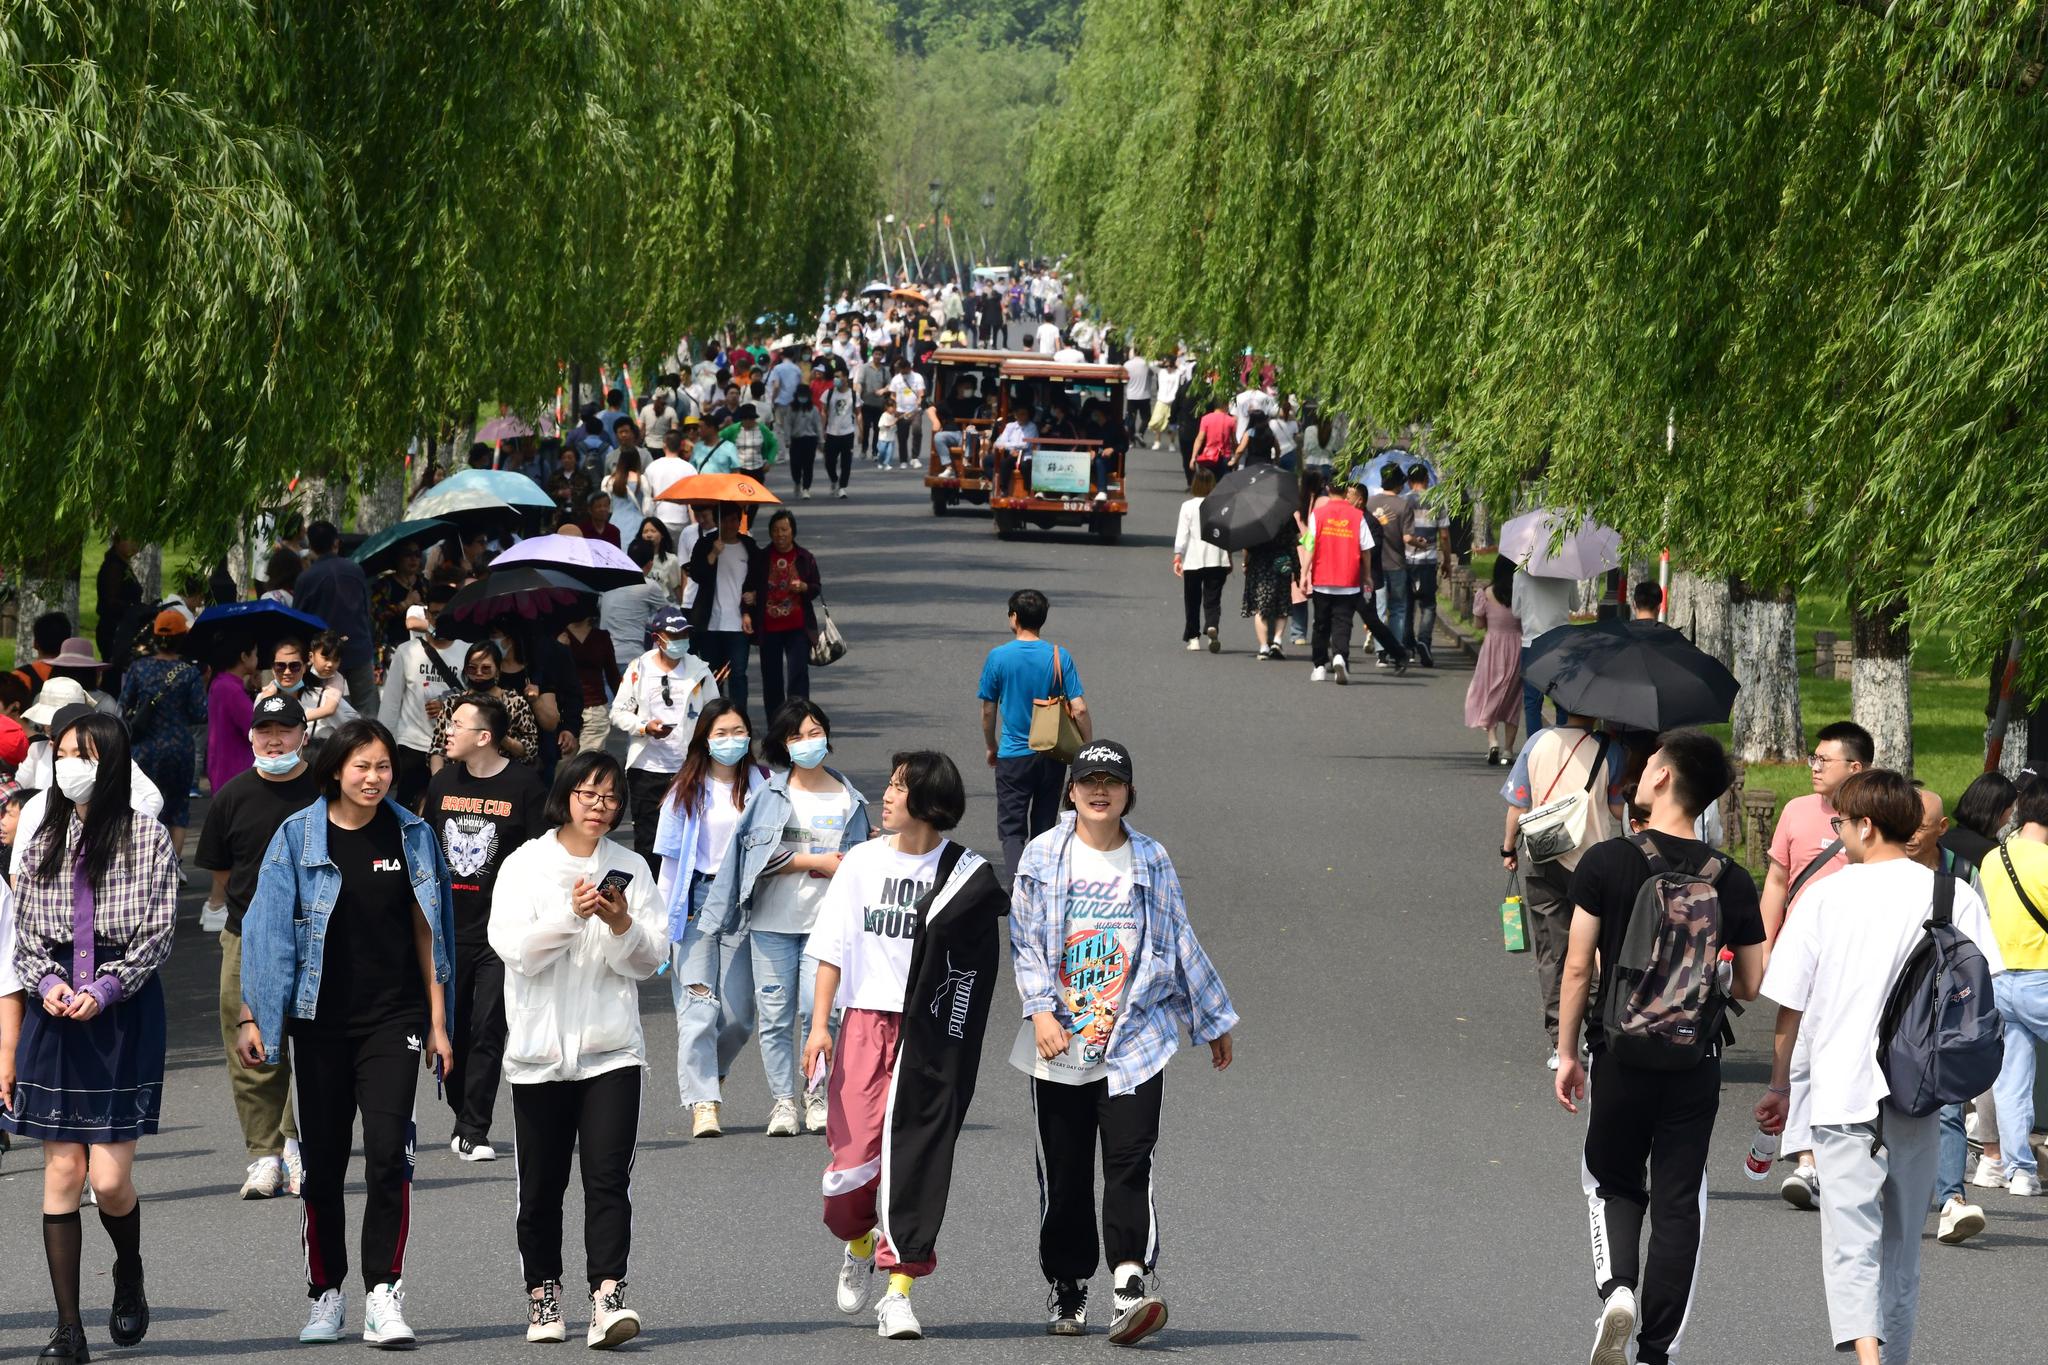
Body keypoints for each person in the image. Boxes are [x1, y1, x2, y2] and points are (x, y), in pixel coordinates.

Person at [1753, 770, 2004, 1365]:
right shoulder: (1952, 895)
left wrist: (1780, 1085)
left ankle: (1868, 1358)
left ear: (1866, 825)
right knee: (1901, 1251)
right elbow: (1983, 987)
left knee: (1850, 1245)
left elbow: (1790, 1004)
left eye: (1840, 823)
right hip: (1919, 1092)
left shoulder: (1825, 897)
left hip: (1842, 1092)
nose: (1838, 834)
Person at [1008, 740, 1237, 1344]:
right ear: (1072, 791)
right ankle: (1068, 1284)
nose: (1100, 791)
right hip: (1060, 1039)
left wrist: (1211, 1019)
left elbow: (1177, 936)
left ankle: (1130, 1284)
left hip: (1135, 1036)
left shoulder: (1150, 857)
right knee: (1065, 1171)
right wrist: (1040, 1011)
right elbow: (1025, 941)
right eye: (1089, 781)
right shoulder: (1043, 855)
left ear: (1129, 792)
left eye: (1111, 782)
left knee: (1131, 1161)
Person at [238, 718, 455, 1348]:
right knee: (325, 1161)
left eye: (383, 766)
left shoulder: (412, 833)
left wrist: (439, 1023)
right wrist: (255, 1016)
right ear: (336, 769)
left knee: (389, 1150)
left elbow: (429, 932)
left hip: (394, 1019)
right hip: (320, 1023)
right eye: (362, 766)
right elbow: (266, 932)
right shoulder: (297, 836)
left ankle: (383, 1291)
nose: (373, 777)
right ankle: (326, 1293)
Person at [1552, 731, 1765, 1365]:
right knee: (1678, 1202)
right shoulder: (1731, 878)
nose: (1641, 773)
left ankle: (1618, 1290)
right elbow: (1751, 984)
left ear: (1666, 778)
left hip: (1619, 1054)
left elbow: (1577, 967)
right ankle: (1656, 1350)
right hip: (1692, 1061)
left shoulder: (1607, 861)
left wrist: (1568, 1052)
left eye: (1649, 766)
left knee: (1612, 1179)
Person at [804, 750, 1007, 1342]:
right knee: (848, 1169)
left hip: (931, 1035)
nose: (887, 796)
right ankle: (859, 1242)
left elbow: (978, 964)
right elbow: (832, 947)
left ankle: (899, 1291)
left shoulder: (965, 874)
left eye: (898, 787)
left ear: (928, 800)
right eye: (890, 785)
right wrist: (819, 1026)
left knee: (918, 1158)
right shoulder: (862, 862)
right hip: (865, 1023)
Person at [3, 714, 176, 1365]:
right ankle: (67, 1329)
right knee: (63, 1170)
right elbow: (22, 933)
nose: (70, 764)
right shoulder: (42, 835)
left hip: (122, 1008)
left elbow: (157, 933)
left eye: (85, 754)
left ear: (113, 764)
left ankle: (128, 1269)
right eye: (64, 753)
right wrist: (47, 983)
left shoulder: (147, 836)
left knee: (107, 1178)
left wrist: (103, 987)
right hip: (54, 1010)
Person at [479, 751, 661, 1350]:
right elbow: (517, 951)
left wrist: (621, 924)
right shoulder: (525, 865)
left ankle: (608, 1297)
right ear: (566, 796)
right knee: (541, 1187)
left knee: (607, 1179)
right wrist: (572, 915)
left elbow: (650, 960)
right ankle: (543, 1294)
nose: (599, 807)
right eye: (589, 794)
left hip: (612, 1051)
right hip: (539, 1055)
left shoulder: (630, 867)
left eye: (610, 798)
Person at [700, 700, 868, 1137]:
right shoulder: (769, 795)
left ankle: (816, 1095)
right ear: (783, 745)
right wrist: (813, 861)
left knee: (819, 1012)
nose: (808, 743)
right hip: (770, 924)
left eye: (815, 733)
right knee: (775, 1017)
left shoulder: (849, 798)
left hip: (827, 926)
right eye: (797, 736)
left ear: (827, 736)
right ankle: (783, 1102)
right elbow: (751, 857)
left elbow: (860, 861)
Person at [194, 692, 318, 1200]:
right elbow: (222, 869)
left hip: (316, 933)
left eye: (285, 730)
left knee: (311, 1044)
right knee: (250, 1044)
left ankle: (298, 1143)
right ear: (250, 736)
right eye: (265, 730)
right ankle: (265, 1153)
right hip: (247, 934)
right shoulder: (232, 795)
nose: (274, 740)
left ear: (303, 735)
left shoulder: (325, 789)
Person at [424, 692, 547, 1164]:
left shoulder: (525, 786)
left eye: (457, 723)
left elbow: (540, 857)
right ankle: (463, 1114)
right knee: (452, 1030)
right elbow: (426, 851)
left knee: (488, 1028)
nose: (448, 730)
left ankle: (475, 1128)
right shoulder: (441, 784)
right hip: (449, 930)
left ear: (484, 736)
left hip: (502, 931)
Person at [1763, 719, 1873, 1208]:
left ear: (1856, 767)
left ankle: (1850, 1155)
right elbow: (1776, 880)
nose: (1814, 767)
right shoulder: (1796, 810)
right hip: (1803, 949)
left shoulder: (1876, 817)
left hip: (1858, 954)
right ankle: (1805, 1160)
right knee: (1798, 1048)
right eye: (1814, 757)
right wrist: (1765, 944)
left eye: (1824, 760)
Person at [651, 700, 766, 1137]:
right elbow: (670, 866)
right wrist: (662, 926)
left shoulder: (765, 788)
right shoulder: (684, 790)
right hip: (695, 902)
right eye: (721, 733)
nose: (731, 740)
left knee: (738, 1016)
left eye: (738, 731)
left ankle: (710, 1074)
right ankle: (703, 1101)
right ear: (704, 739)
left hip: (744, 904)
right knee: (698, 1007)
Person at [1501, 708, 1628, 1070]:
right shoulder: (1610, 750)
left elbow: (1518, 805)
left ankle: (1560, 1042)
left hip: (1544, 859)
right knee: (1598, 950)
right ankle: (1598, 1033)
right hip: (1595, 863)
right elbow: (1617, 809)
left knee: (1553, 952)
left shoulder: (1537, 743)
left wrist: (1508, 848)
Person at [979, 590, 1094, 877]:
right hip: (1051, 753)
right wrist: (1085, 748)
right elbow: (1079, 708)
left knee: (1012, 830)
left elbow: (988, 711)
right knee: (1044, 827)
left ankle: (1018, 886)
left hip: (1013, 756)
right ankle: (1043, 885)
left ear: (1014, 617)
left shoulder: (999, 657)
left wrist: (991, 745)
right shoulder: (1058, 656)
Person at [1976, 777, 2048, 1196]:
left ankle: (2020, 1171)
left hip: (2000, 979)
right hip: (2042, 977)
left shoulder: (1993, 858)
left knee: (2011, 1082)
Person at [612, 606, 718, 867]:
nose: (680, 641)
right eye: (674, 636)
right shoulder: (639, 669)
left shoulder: (700, 671)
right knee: (648, 841)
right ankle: (650, 890)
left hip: (689, 767)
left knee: (690, 839)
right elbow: (618, 713)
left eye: (684, 635)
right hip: (646, 768)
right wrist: (644, 727)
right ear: (657, 638)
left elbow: (716, 714)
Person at [117, 610, 206, 854]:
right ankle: (174, 864)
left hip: (144, 747)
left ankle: (143, 858)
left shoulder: (138, 668)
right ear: (182, 638)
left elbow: (124, 704)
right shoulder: (189, 672)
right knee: (178, 808)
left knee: (142, 803)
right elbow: (200, 713)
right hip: (179, 747)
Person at [379, 590, 469, 810]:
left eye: (447, 614)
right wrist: (383, 747)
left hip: (453, 747)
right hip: (412, 746)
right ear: (427, 615)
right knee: (405, 811)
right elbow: (390, 703)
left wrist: (449, 706)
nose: (441, 620)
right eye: (436, 614)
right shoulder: (406, 651)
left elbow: (478, 699)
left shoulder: (468, 651)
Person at [293, 521, 379, 717]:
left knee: (322, 706)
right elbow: (366, 609)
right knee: (366, 707)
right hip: (358, 647)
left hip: (322, 653)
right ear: (336, 543)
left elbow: (298, 618)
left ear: (311, 546)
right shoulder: (355, 570)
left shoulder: (306, 578)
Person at [685, 503, 759, 721]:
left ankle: (739, 719)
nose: (730, 525)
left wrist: (752, 598)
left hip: (738, 624)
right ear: (718, 521)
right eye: (725, 520)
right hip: (710, 623)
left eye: (734, 520)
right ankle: (715, 719)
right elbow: (696, 574)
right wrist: (712, 555)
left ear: (740, 521)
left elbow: (758, 578)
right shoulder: (706, 544)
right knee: (713, 675)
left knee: (738, 674)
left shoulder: (748, 546)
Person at [747, 510, 822, 721]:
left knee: (798, 675)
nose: (780, 534)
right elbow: (749, 585)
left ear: (792, 531)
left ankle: (799, 721)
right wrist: (749, 602)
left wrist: (805, 587)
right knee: (772, 678)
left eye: (784, 529)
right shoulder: (761, 558)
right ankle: (776, 723)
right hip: (769, 628)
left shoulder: (805, 557)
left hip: (797, 627)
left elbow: (816, 587)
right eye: (775, 530)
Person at [428, 641, 542, 772]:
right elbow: (438, 748)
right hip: (458, 776)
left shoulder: (515, 703)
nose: (479, 673)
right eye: (472, 668)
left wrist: (500, 736)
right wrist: (438, 779)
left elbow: (530, 750)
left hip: (503, 776)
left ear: (498, 670)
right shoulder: (452, 703)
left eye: (486, 668)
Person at [1465, 557, 1524, 765]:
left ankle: (1492, 741)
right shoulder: (1521, 593)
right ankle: (1508, 750)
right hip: (1517, 646)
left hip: (1493, 648)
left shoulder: (1485, 593)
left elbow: (1478, 625)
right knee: (1513, 699)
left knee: (1490, 691)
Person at [1511, 563, 1574, 737]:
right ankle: (1563, 744)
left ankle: (1534, 748)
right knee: (1562, 701)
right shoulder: (1569, 570)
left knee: (1532, 703)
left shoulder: (1521, 573)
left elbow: (1516, 611)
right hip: (1560, 643)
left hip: (1532, 644)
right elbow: (1576, 605)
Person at [1172, 468, 1231, 652]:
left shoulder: (1187, 506)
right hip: (1217, 557)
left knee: (1192, 600)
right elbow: (1227, 533)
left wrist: (1178, 556)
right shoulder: (1221, 505)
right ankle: (1212, 625)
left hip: (1193, 559)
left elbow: (1183, 533)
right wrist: (1229, 557)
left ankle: (1193, 637)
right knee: (1213, 598)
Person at [561, 614, 622, 754]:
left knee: (589, 763)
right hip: (564, 710)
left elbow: (613, 675)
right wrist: (558, 648)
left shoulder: (601, 637)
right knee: (564, 764)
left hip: (595, 710)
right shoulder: (557, 636)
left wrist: (628, 705)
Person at [206, 635, 260, 795]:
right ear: (244, 656)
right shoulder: (232, 689)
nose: (257, 659)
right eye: (255, 654)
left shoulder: (220, 683)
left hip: (221, 768)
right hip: (236, 770)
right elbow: (255, 728)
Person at [1403, 463, 1441, 665]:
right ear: (1427, 479)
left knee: (1407, 605)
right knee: (1428, 605)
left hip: (1406, 561)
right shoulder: (1437, 500)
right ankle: (1424, 641)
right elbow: (1445, 534)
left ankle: (1408, 647)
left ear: (1409, 482)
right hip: (1428, 561)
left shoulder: (1403, 501)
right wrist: (1447, 562)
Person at [886, 359, 927, 473]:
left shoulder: (917, 377)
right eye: (900, 370)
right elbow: (893, 395)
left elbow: (921, 393)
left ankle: (915, 457)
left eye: (904, 370)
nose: (902, 372)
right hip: (901, 411)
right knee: (902, 436)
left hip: (915, 410)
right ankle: (903, 460)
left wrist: (919, 400)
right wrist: (894, 408)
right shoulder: (896, 379)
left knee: (917, 430)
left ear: (908, 367)